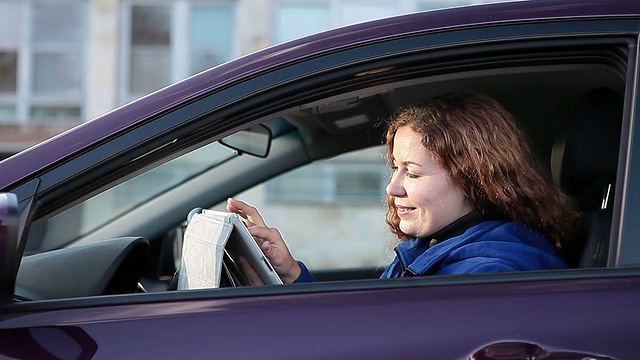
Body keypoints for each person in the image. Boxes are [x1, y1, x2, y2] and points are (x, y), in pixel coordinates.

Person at [227, 92, 580, 284]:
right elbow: (367, 328)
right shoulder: (436, 249)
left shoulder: (486, 277)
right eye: (395, 168)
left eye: (411, 173)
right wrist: (289, 271)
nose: (393, 188)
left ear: (472, 180)